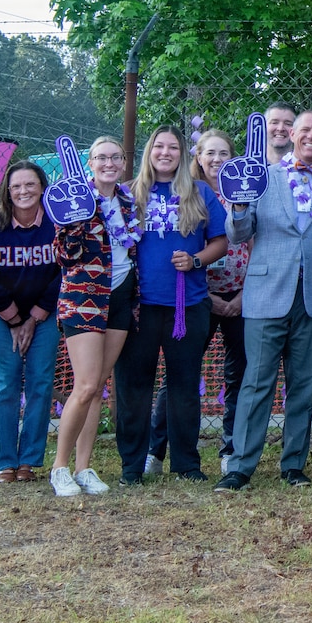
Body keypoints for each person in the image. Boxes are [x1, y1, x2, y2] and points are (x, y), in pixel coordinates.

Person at [219, 110, 312, 492]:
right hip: (267, 292)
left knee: (304, 383)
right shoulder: (261, 179)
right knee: (257, 381)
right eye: (306, 130)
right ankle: (240, 467)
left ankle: (293, 464)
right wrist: (240, 206)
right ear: (293, 134)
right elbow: (238, 234)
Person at [116, 126, 229, 484]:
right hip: (139, 308)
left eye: (173, 147)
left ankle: (186, 464)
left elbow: (221, 242)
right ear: (150, 151)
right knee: (134, 387)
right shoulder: (129, 194)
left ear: (183, 154)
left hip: (187, 306)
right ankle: (132, 466)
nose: (165, 153)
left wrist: (196, 260)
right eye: (159, 146)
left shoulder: (199, 193)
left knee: (183, 387)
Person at [48, 135, 137, 497]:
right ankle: (59, 467)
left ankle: (84, 468)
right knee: (84, 386)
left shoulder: (129, 201)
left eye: (115, 157)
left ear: (123, 162)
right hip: (84, 297)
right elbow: (65, 254)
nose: (109, 163)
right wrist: (77, 222)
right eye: (101, 158)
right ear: (90, 163)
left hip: (120, 297)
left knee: (98, 385)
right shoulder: (74, 198)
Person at [0, 160, 59, 483]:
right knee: (5, 384)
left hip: (45, 314)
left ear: (42, 187)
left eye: (30, 184)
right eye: (16, 186)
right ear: (7, 192)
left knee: (40, 383)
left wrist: (36, 316)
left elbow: (63, 271)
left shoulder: (56, 224)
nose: (24, 191)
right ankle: (5, 462)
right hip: (2, 315)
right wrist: (13, 319)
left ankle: (29, 461)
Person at [193, 129, 249, 471]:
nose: (217, 160)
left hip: (242, 296)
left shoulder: (244, 193)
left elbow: (257, 244)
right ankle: (158, 448)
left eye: (224, 153)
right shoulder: (188, 194)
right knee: (182, 373)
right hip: (200, 295)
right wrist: (209, 298)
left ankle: (231, 449)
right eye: (210, 153)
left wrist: (242, 296)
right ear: (198, 157)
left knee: (239, 376)